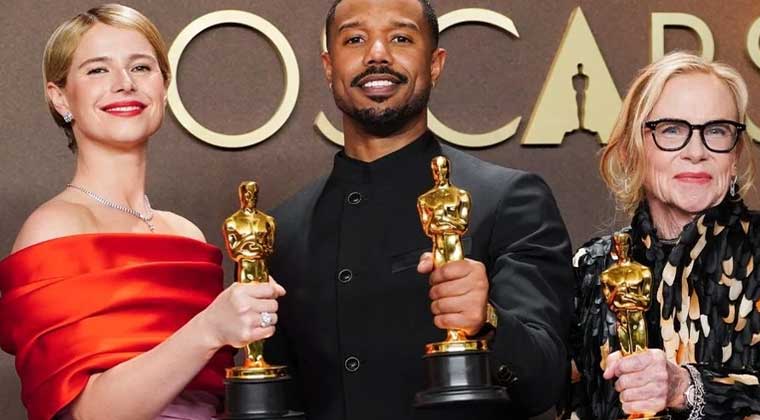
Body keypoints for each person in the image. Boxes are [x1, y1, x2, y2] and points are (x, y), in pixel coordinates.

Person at [265, 0, 574, 419]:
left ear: (435, 64)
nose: (377, 54)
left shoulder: (509, 199)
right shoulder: (281, 231)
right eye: (355, 39)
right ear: (328, 66)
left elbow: (547, 381)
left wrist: (488, 321)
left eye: (400, 38)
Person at [0, 4, 284, 420]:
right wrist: (209, 328)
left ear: (163, 87)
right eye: (98, 70)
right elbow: (86, 412)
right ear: (60, 97)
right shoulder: (54, 229)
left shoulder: (185, 234)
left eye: (141, 67)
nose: (124, 83)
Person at [569, 51, 760, 420]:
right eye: (672, 129)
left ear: (735, 154)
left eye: (716, 130)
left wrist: (688, 388)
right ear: (633, 147)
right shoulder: (593, 267)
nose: (696, 152)